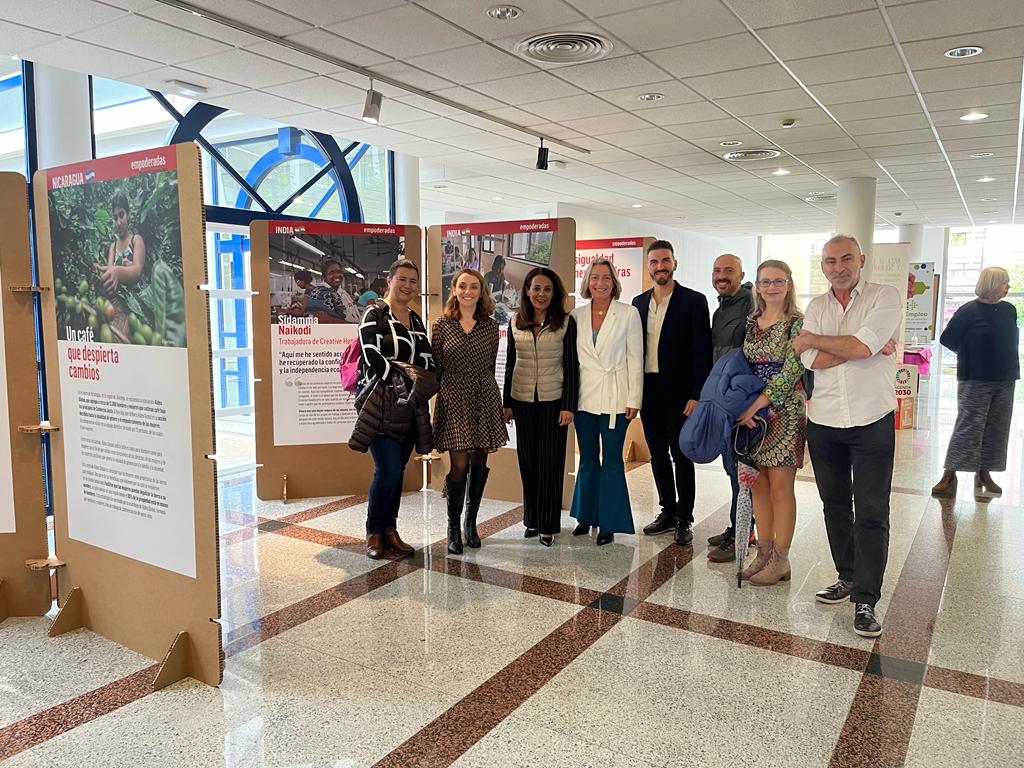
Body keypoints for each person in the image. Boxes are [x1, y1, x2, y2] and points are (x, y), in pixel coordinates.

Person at [793, 234, 901, 638]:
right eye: (829, 261)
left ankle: (866, 600)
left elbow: (853, 347)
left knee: (872, 512)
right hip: (824, 421)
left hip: (872, 420)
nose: (838, 267)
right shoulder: (818, 306)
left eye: (845, 259)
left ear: (861, 260)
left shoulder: (883, 296)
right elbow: (809, 358)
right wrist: (862, 346)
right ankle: (848, 575)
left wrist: (840, 344)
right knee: (834, 504)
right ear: (822, 266)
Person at [633, 240, 713, 546]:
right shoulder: (639, 303)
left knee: (681, 455)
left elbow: (701, 351)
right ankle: (667, 510)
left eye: (665, 260)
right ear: (649, 266)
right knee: (657, 454)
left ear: (674, 263)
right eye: (654, 262)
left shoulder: (693, 301)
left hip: (681, 394)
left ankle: (684, 517)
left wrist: (697, 394)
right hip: (648, 391)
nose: (660, 266)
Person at [357, 259, 435, 560]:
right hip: (381, 402)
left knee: (398, 470)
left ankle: (390, 529)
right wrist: (401, 380)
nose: (407, 285)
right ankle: (374, 531)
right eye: (402, 279)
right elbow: (370, 353)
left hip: (410, 407)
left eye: (413, 281)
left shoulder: (415, 319)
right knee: (387, 469)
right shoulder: (374, 312)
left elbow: (425, 358)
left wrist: (425, 381)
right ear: (389, 280)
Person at [734, 260, 806, 585]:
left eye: (778, 280)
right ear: (758, 287)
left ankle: (781, 559)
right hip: (753, 415)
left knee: (780, 487)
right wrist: (745, 406)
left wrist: (759, 403)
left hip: (784, 411)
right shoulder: (752, 322)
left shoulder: (797, 324)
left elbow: (794, 370)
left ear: (788, 285)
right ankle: (762, 553)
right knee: (757, 485)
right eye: (765, 281)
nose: (772, 286)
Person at [432, 268, 507, 554]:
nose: (467, 291)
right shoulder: (441, 325)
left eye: (473, 286)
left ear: (481, 291)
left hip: (484, 396)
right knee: (459, 463)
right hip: (453, 397)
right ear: (454, 289)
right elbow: (437, 366)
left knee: (479, 459)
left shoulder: (489, 326)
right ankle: (452, 526)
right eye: (462, 286)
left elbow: (490, 364)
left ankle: (470, 523)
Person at [502, 268, 578, 546]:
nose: (541, 294)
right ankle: (531, 519)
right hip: (522, 402)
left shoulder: (566, 323)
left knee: (550, 463)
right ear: (527, 291)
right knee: (528, 462)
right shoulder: (514, 322)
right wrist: (506, 403)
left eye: (547, 289)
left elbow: (571, 366)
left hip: (553, 402)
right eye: (536, 288)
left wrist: (569, 405)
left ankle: (548, 525)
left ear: (554, 293)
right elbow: (510, 364)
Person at [570, 258, 643, 545]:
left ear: (614, 282)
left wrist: (634, 398)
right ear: (587, 282)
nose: (600, 283)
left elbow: (635, 359)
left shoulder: (628, 314)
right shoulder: (575, 315)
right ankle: (585, 516)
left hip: (616, 397)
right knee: (587, 458)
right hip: (584, 398)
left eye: (606, 278)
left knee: (612, 459)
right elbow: (571, 363)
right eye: (594, 277)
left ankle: (609, 522)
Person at [931, 267, 1018, 498]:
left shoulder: (1009, 310)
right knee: (969, 426)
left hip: (1006, 377)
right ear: (991, 284)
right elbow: (947, 339)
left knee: (997, 428)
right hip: (975, 378)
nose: (1008, 287)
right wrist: (970, 353)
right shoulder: (969, 310)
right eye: (1004, 282)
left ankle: (984, 473)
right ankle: (949, 475)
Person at [707, 253, 755, 562]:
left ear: (741, 274)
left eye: (729, 271)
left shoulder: (751, 305)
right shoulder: (720, 309)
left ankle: (743, 535)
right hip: (723, 402)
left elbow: (752, 358)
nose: (722, 275)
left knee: (742, 472)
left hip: (742, 405)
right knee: (731, 469)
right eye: (717, 270)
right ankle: (739, 526)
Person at [99, 190, 146, 293]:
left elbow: (137, 271)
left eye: (121, 215)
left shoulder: (136, 240)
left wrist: (117, 271)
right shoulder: (113, 247)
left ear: (128, 214)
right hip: (117, 302)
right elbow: (110, 271)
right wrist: (100, 269)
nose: (119, 223)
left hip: (136, 304)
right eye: (115, 218)